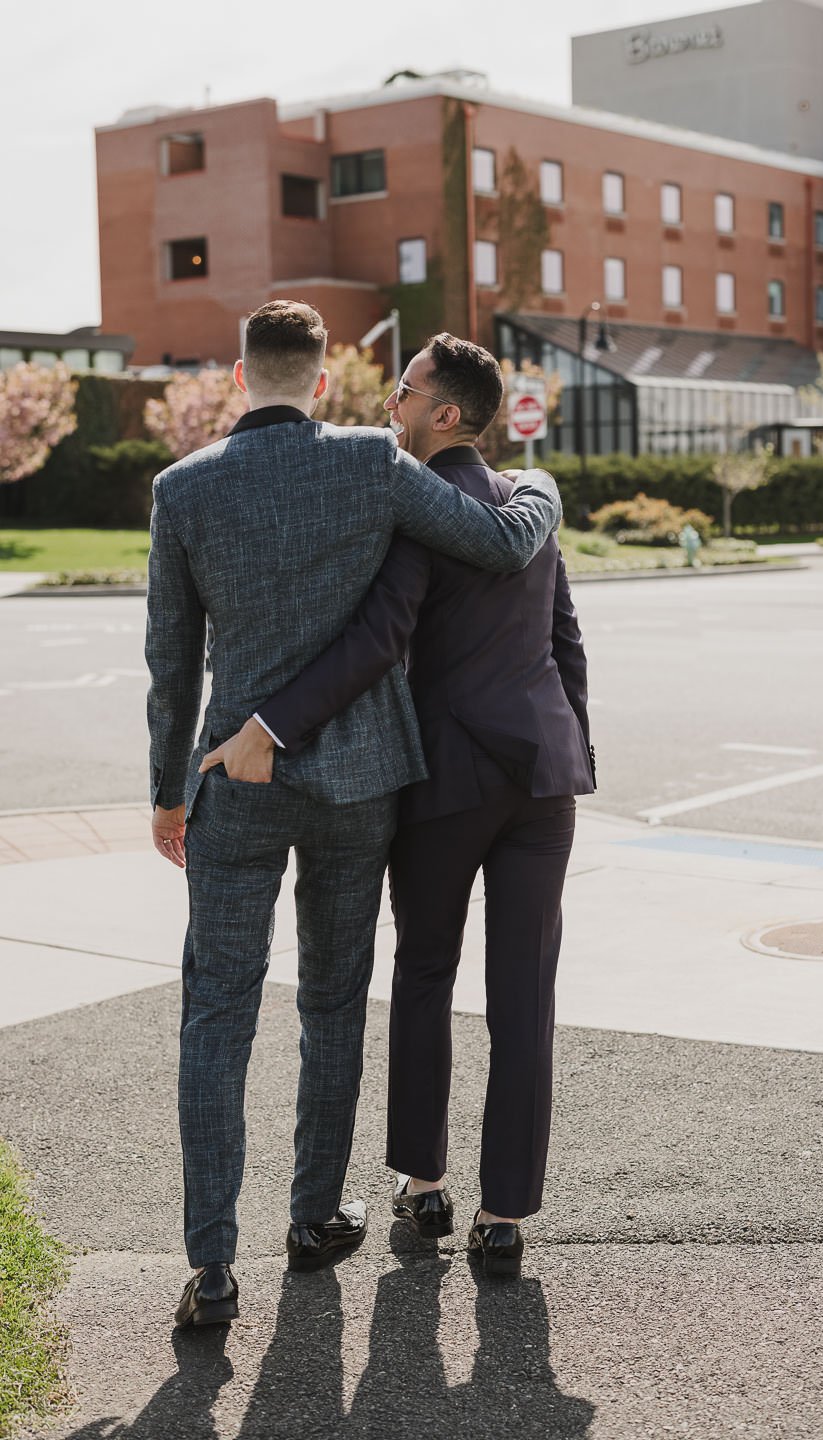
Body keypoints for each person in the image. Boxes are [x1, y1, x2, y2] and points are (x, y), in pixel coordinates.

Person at [145, 301, 561, 1328]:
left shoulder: (180, 488)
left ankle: (209, 1265)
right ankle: (316, 1217)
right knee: (332, 1004)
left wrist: (166, 791)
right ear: (322, 382)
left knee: (216, 1012)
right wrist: (546, 484)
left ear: (244, 379)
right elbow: (497, 542)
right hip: (363, 782)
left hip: (231, 782)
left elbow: (169, 661)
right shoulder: (375, 463)